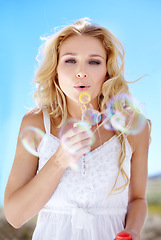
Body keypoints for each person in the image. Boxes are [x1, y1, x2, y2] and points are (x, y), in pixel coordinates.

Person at [4, 18, 151, 240]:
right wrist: (59, 160)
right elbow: (15, 216)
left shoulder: (132, 127)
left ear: (107, 72)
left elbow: (137, 199)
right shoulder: (36, 123)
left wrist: (131, 231)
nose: (81, 72)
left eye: (94, 62)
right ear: (55, 69)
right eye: (70, 60)